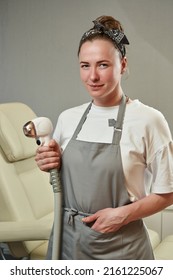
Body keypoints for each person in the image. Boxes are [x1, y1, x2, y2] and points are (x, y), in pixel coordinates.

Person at [35, 15, 173, 260]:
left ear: (123, 64)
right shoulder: (68, 118)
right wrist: (48, 162)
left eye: (103, 65)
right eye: (85, 65)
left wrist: (123, 215)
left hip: (121, 249)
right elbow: (59, 178)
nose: (92, 77)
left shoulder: (149, 120)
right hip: (67, 244)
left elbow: (168, 193)